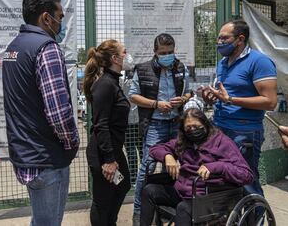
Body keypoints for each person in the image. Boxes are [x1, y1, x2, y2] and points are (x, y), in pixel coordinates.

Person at [2, 0, 79, 226]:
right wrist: (72, 142)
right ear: (46, 18)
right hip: (46, 156)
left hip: (26, 153)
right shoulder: (47, 48)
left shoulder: (13, 48)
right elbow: (58, 111)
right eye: (60, 16)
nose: (61, 23)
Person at [140, 108, 254, 226]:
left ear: (205, 124)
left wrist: (216, 166)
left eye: (196, 126)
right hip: (182, 192)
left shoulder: (222, 142)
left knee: (183, 208)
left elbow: (246, 175)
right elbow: (154, 149)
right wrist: (167, 156)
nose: (193, 130)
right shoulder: (184, 141)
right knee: (149, 191)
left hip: (209, 197)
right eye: (188, 127)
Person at [202, 20, 277, 197]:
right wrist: (210, 98)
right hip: (219, 128)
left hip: (244, 132)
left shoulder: (259, 61)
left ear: (240, 39)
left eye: (224, 38)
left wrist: (232, 100)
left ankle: (256, 219)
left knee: (246, 181)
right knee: (224, 181)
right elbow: (223, 95)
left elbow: (270, 101)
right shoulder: (223, 63)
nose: (218, 42)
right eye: (218, 38)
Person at [129, 33, 192, 224]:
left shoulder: (180, 67)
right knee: (147, 166)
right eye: (163, 52)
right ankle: (139, 210)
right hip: (155, 124)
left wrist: (183, 99)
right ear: (155, 52)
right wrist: (156, 104)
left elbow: (189, 92)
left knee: (177, 165)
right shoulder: (142, 69)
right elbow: (133, 96)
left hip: (175, 123)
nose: (167, 55)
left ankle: (168, 203)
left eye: (170, 52)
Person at [84, 39, 131, 226]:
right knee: (102, 200)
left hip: (113, 149)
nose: (127, 56)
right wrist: (109, 160)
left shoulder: (113, 82)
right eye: (124, 52)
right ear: (115, 58)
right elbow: (100, 125)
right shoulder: (105, 84)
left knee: (122, 185)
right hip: (104, 154)